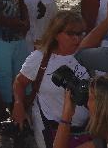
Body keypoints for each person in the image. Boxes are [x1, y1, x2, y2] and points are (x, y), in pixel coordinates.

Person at [12, 11, 90, 148]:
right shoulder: (39, 58)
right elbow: (20, 82)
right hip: (51, 128)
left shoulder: (86, 55)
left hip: (85, 128)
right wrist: (18, 104)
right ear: (56, 34)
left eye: (80, 33)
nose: (77, 39)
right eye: (71, 34)